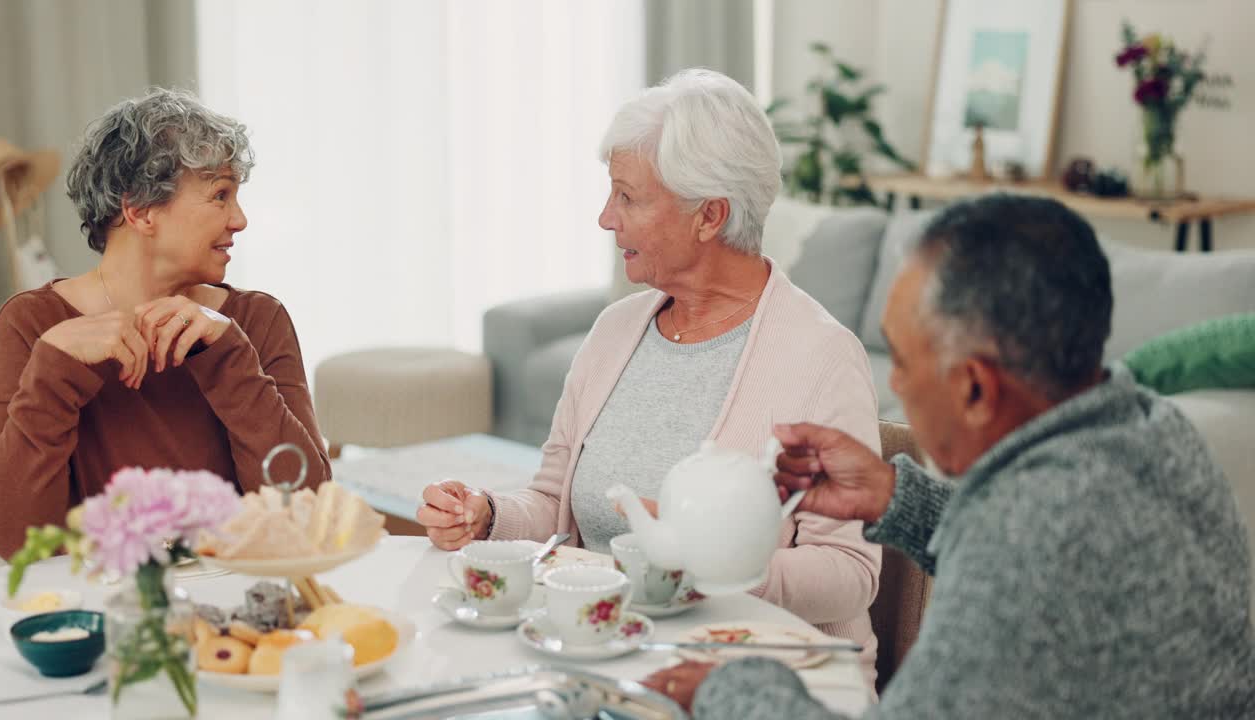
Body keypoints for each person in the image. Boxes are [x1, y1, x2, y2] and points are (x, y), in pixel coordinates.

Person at [645, 194, 1255, 718]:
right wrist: (896, 497)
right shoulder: (1153, 431)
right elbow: (1056, 549)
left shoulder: (1028, 537)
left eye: (904, 363)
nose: (898, 387)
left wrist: (733, 690)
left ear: (974, 388)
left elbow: (1028, 547)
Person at [418, 69, 883, 681]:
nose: (606, 218)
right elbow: (556, 501)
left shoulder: (820, 357)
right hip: (603, 656)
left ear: (709, 216)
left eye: (628, 197)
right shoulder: (615, 331)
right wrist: (488, 515)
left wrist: (723, 565)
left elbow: (851, 573)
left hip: (759, 679)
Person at [0, 88, 330, 560]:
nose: (240, 219)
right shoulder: (34, 324)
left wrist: (230, 358)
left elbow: (307, 515)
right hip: (100, 612)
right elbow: (12, 540)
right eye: (220, 195)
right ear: (139, 211)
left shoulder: (256, 321)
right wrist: (53, 373)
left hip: (237, 612)